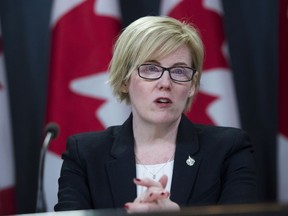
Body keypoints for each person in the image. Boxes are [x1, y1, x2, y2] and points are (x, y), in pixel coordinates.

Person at [54, 16, 258, 213]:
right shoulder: (85, 154)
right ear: (125, 80)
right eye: (151, 69)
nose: (165, 83)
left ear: (192, 85)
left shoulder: (229, 149)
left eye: (179, 71)